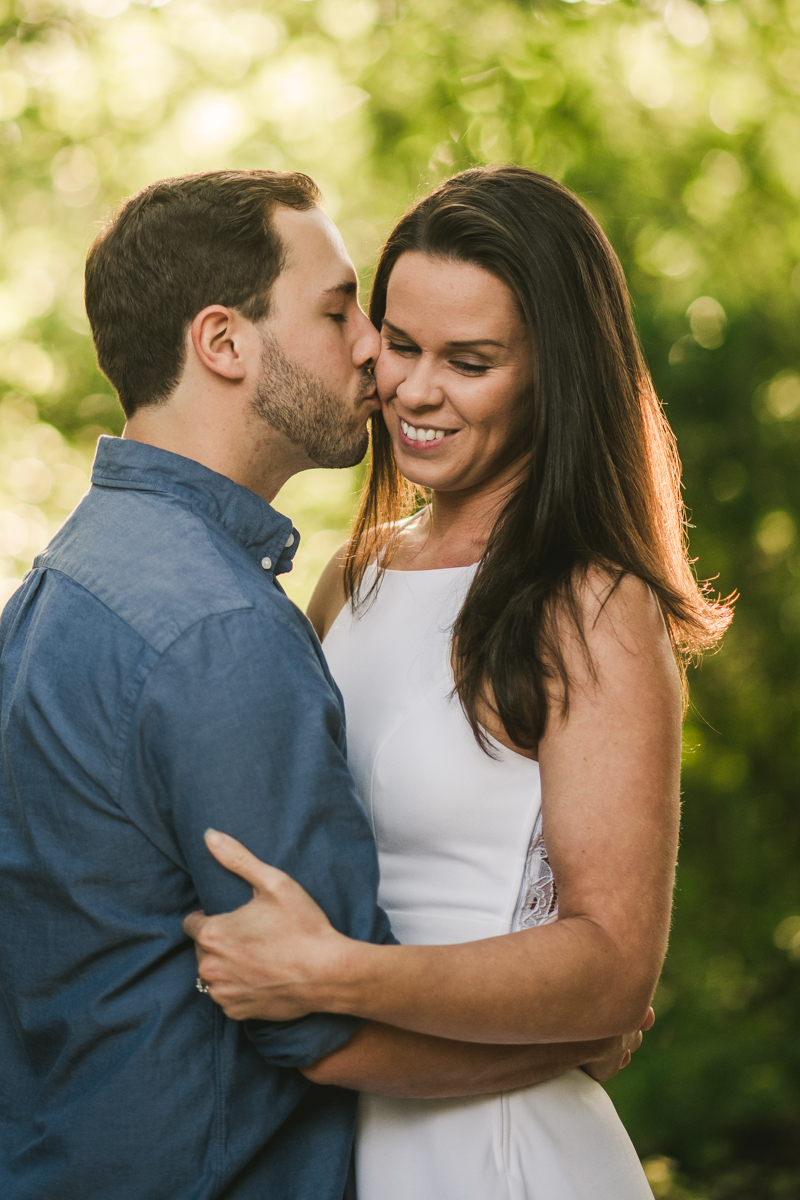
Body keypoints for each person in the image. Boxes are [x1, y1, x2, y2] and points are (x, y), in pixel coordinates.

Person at [0, 169, 640, 1200]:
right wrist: (554, 1048)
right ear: (222, 343)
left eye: (463, 356)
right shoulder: (227, 624)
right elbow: (314, 1020)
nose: (375, 362)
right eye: (346, 313)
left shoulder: (64, 583)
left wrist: (569, 1024)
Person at [184, 167, 733, 1199]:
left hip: (497, 1152)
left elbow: (613, 966)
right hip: (331, 1131)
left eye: (469, 362)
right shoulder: (355, 577)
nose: (413, 390)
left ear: (552, 375)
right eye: (398, 344)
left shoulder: (590, 606)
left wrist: (337, 981)